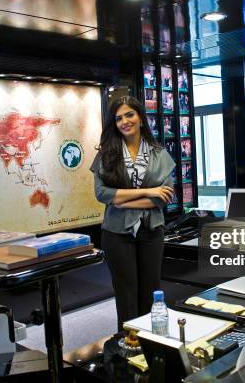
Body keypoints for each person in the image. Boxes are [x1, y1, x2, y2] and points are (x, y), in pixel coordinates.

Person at [90, 96, 175, 328]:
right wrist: (149, 190)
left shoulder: (159, 154)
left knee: (151, 290)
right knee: (126, 293)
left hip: (152, 230)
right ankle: (128, 344)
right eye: (118, 118)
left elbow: (163, 197)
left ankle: (152, 341)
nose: (125, 121)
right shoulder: (107, 154)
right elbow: (102, 194)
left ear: (140, 118)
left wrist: (123, 201)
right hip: (117, 233)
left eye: (129, 115)